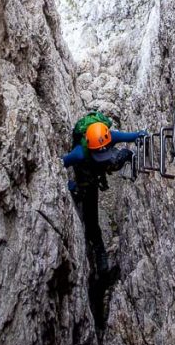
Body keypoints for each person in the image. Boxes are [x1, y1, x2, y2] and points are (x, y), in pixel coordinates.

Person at [62, 119, 147, 278]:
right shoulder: (79, 153)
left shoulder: (109, 136)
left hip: (103, 165)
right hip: (88, 179)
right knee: (91, 221)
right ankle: (99, 250)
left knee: (115, 160)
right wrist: (70, 185)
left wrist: (142, 135)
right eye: (98, 153)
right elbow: (59, 164)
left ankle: (126, 155)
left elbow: (132, 136)